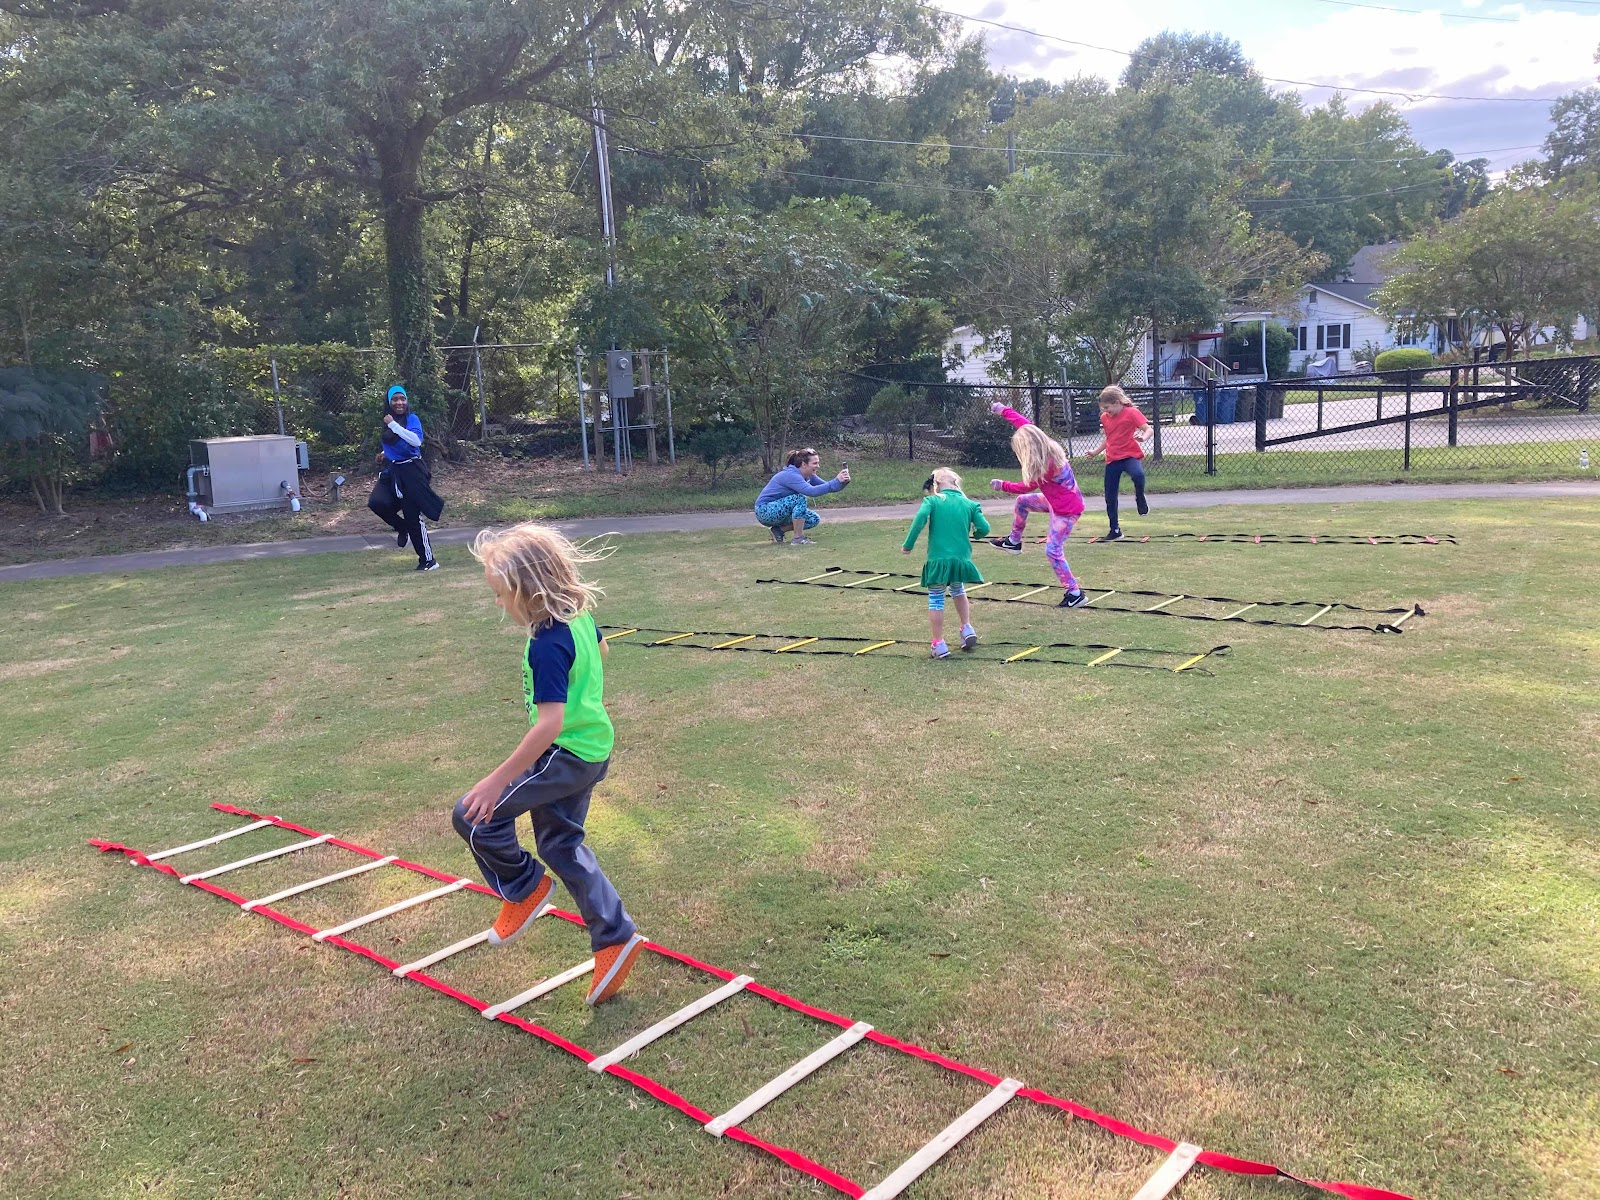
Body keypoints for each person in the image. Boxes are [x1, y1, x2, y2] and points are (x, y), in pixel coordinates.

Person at [453, 521, 644, 1007]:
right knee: (561, 845)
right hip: (593, 749)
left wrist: (495, 781)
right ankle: (615, 937)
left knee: (473, 816)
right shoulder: (577, 617)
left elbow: (549, 724)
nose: (499, 604)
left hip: (564, 755)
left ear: (529, 591)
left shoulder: (546, 644)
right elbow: (602, 650)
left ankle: (524, 888)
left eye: (501, 595)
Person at [984, 401, 1088, 608]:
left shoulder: (1045, 466)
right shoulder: (1045, 442)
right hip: (1056, 502)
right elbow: (1023, 424)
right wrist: (1003, 410)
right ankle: (1014, 542)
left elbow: (1024, 487)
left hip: (1066, 511)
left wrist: (1002, 485)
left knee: (1053, 550)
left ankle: (1075, 593)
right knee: (1022, 503)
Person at [902, 468, 989, 658]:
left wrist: (908, 545)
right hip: (960, 559)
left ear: (937, 483)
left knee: (936, 597)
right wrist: (977, 534)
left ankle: (938, 643)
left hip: (938, 559)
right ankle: (967, 627)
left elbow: (919, 520)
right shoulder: (970, 504)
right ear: (955, 482)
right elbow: (984, 527)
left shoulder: (932, 501)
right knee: (958, 589)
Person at [367, 384, 443, 572]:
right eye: (395, 399)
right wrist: (384, 453)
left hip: (412, 473)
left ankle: (428, 560)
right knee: (376, 502)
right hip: (393, 471)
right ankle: (402, 527)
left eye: (402, 399)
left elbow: (415, 441)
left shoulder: (411, 419)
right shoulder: (387, 420)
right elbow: (396, 442)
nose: (399, 402)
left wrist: (393, 424)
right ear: (389, 402)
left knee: (413, 516)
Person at [1081, 385, 1151, 541]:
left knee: (1138, 475)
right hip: (1113, 459)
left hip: (1129, 456)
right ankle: (1115, 530)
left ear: (1117, 402)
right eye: (1103, 409)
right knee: (1110, 496)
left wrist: (1143, 438)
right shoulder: (1105, 418)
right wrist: (1095, 452)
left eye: (1107, 407)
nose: (1105, 411)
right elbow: (1109, 438)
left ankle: (1140, 497)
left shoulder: (1131, 413)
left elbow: (1148, 429)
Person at [753, 448, 850, 545]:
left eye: (818, 463)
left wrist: (842, 482)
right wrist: (836, 480)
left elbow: (829, 487)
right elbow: (811, 491)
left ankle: (778, 531)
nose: (818, 466)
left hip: (779, 510)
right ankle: (798, 538)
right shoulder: (791, 475)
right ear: (804, 464)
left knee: (813, 519)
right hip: (764, 511)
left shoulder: (809, 475)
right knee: (799, 498)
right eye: (815, 463)